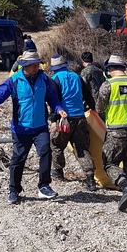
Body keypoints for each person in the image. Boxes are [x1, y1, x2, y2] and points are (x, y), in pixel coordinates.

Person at [0, 50, 68, 204]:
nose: (36, 67)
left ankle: (44, 186)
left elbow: (52, 98)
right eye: (32, 65)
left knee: (46, 152)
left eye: (37, 64)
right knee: (18, 159)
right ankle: (14, 190)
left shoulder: (44, 79)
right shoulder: (14, 81)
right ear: (24, 65)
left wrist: (59, 109)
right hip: (21, 128)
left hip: (40, 127)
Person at [95, 54, 127, 212]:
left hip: (116, 131)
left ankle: (125, 188)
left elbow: (99, 108)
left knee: (109, 163)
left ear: (110, 69)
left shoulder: (108, 85)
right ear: (124, 68)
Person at [48, 55, 96, 191]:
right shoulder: (77, 77)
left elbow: (54, 101)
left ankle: (58, 172)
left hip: (64, 118)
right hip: (80, 117)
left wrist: (53, 120)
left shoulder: (55, 79)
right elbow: (88, 96)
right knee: (81, 148)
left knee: (56, 145)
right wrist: (93, 109)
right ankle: (90, 178)